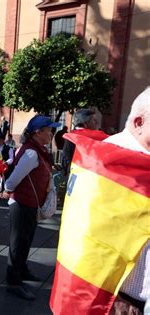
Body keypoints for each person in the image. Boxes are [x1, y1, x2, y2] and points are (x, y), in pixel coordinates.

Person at [2, 115, 60, 300]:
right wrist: (7, 190)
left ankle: (23, 271)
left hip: (30, 204)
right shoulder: (31, 153)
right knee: (18, 244)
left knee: (25, 240)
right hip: (21, 204)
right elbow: (14, 178)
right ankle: (13, 282)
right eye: (49, 130)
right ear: (38, 132)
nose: (52, 133)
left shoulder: (38, 150)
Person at [104, 87, 149, 314]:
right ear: (139, 122)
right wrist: (115, 295)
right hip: (126, 295)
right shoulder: (109, 158)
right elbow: (93, 237)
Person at [61, 109, 107, 174]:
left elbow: (65, 162)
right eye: (94, 120)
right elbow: (67, 160)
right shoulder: (72, 137)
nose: (97, 122)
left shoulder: (72, 136)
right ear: (85, 123)